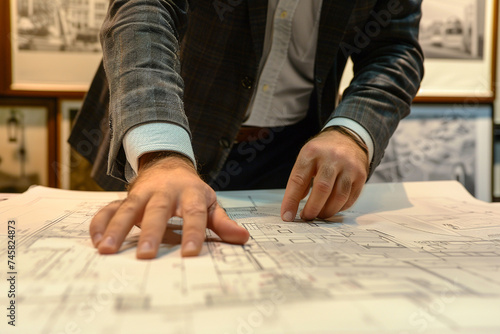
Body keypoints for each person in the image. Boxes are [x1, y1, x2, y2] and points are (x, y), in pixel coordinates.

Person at [69, 0, 424, 259]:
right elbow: (143, 9)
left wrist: (352, 131)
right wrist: (161, 153)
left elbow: (394, 47)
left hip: (295, 155)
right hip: (149, 142)